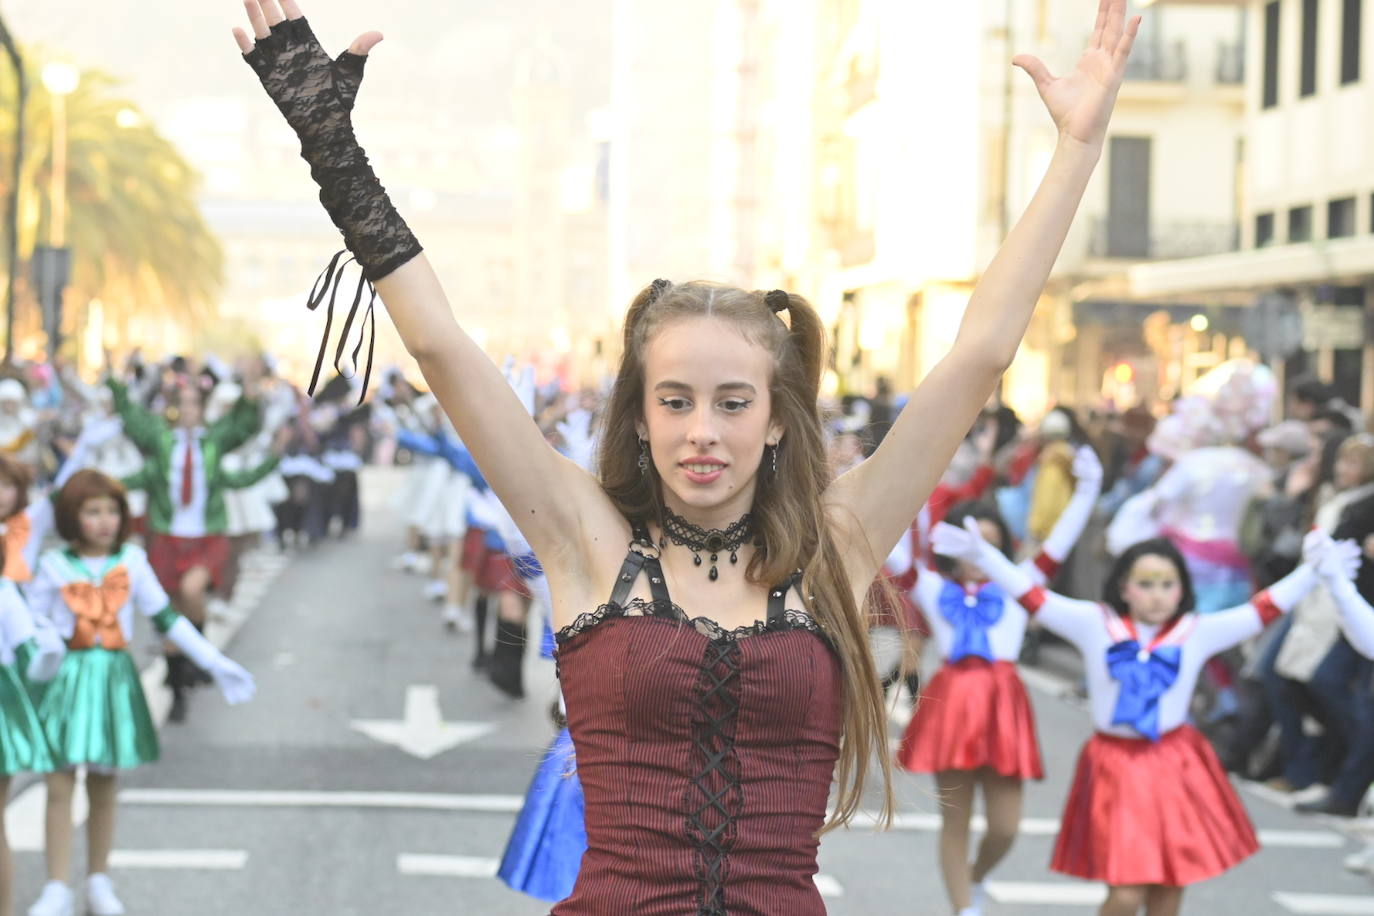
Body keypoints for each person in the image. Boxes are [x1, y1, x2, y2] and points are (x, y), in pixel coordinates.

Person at [231, 1, 1139, 909]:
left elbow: (980, 354)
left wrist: (1078, 149)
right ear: (639, 418)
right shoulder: (584, 539)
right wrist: (332, 151)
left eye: (733, 402)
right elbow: (440, 348)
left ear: (777, 420)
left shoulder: (839, 542)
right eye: (675, 401)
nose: (702, 428)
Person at [933, 517, 1349, 916]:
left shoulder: (1195, 630)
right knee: (1126, 896)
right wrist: (987, 559)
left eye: (1168, 584)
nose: (1157, 594)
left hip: (1175, 762)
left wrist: (1313, 571)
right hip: (1115, 766)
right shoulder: (1095, 623)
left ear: (1182, 589)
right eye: (1145, 584)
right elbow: (1034, 597)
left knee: (1168, 892)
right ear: (1124, 587)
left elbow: (1262, 610)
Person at [24, 471, 255, 916]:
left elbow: (166, 618)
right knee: (58, 784)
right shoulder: (53, 566)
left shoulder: (131, 561)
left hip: (113, 678)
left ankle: (98, 880)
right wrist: (44, 645)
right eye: (92, 511)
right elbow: (33, 623)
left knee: (105, 783)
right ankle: (56, 886)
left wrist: (213, 661)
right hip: (65, 681)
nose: (104, 521)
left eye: (112, 510)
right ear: (72, 517)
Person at [897, 446, 1100, 916]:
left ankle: (977, 878)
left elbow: (1059, 546)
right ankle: (964, 908)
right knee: (956, 822)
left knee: (1005, 827)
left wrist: (1087, 489)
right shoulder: (930, 586)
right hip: (951, 704)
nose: (978, 553)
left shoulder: (1020, 583)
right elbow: (889, 546)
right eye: (968, 542)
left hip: (1003, 705)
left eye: (988, 542)